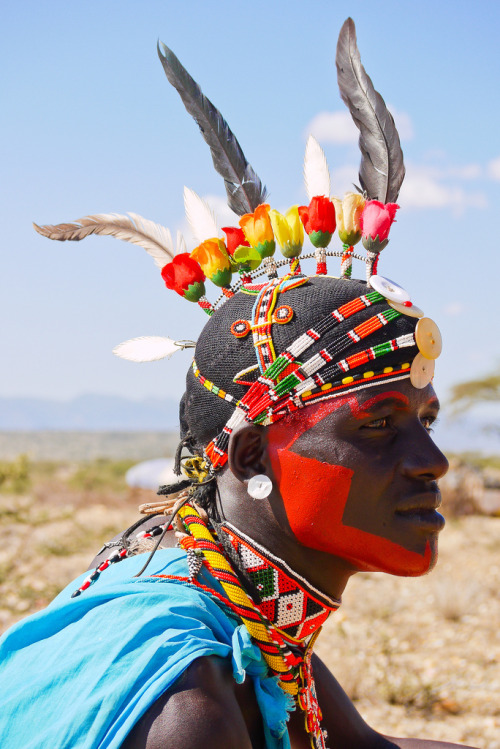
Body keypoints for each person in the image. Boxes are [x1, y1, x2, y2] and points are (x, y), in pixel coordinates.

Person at [0, 18, 479, 749]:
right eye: (378, 424)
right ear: (252, 455)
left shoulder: (253, 622)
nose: (432, 459)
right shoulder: (190, 709)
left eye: (427, 419)